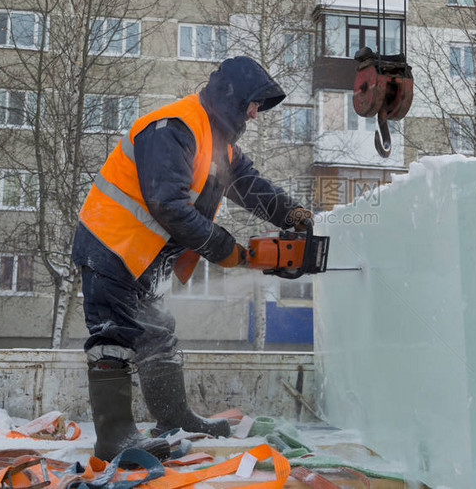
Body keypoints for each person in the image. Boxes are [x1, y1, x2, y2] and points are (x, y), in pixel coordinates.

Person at [72, 56, 314, 460]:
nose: (255, 113)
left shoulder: (218, 143)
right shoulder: (175, 126)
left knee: (157, 333)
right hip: (110, 246)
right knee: (113, 336)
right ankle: (115, 438)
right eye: (254, 103)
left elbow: (251, 186)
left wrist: (294, 215)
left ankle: (175, 418)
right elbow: (167, 204)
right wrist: (229, 252)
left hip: (145, 256)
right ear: (233, 95)